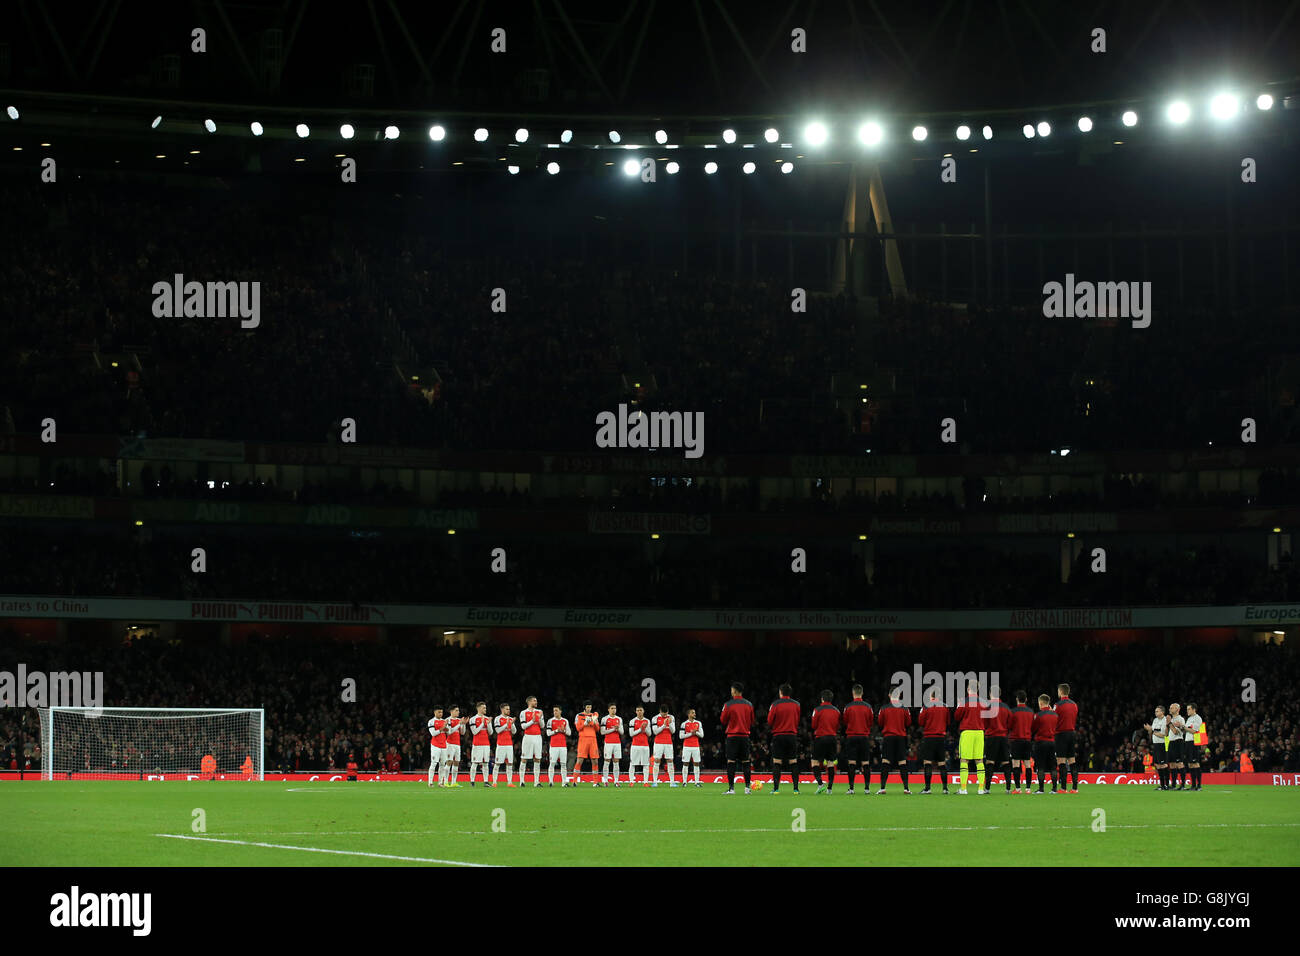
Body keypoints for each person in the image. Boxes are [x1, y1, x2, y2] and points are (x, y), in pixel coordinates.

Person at [720, 681, 755, 795]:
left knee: (731, 762)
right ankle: (747, 788)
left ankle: (731, 789)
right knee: (746, 762)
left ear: (734, 691)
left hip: (732, 736)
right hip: (745, 736)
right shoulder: (749, 704)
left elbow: (723, 720)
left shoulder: (728, 704)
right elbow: (752, 720)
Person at [767, 683, 801, 794]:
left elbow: (769, 721)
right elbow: (797, 719)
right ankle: (796, 789)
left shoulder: (775, 704)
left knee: (777, 762)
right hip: (791, 736)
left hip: (778, 735)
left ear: (780, 692)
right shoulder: (797, 704)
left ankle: (776, 789)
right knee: (793, 761)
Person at [953, 682, 987, 794]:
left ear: (968, 689)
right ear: (977, 689)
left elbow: (957, 716)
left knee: (964, 760)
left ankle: (963, 789)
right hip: (979, 733)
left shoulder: (964, 701)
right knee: (979, 760)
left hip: (967, 732)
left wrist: (958, 704)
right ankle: (981, 789)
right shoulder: (983, 702)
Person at [876, 690, 912, 794]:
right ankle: (906, 788)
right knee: (902, 762)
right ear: (899, 695)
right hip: (901, 737)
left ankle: (882, 788)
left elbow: (880, 722)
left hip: (888, 737)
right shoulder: (904, 708)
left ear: (889, 695)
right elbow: (908, 722)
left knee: (885, 761)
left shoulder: (884, 708)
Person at [841, 684, 874, 794]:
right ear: (862, 693)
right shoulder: (868, 707)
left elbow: (845, 721)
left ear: (853, 693)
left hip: (851, 737)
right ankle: (867, 789)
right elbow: (870, 722)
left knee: (852, 763)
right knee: (865, 763)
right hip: (864, 737)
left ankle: (851, 789)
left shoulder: (848, 707)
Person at [918, 689, 951, 795]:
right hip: (941, 738)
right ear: (939, 696)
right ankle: (945, 789)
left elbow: (920, 722)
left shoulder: (926, 706)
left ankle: (927, 789)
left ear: (930, 696)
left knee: (927, 763)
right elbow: (948, 721)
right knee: (942, 763)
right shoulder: (945, 707)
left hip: (929, 738)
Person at [983, 686, 1012, 793]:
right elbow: (1010, 724)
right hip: (1004, 738)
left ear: (991, 694)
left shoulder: (988, 707)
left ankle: (987, 788)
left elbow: (984, 723)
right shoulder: (1006, 708)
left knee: (990, 762)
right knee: (1005, 762)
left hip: (992, 738)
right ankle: (1008, 788)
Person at [810, 690, 840, 794]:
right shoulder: (836, 711)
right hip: (832, 738)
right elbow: (837, 726)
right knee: (830, 763)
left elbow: (813, 725)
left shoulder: (817, 710)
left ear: (822, 698)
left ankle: (820, 784)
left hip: (820, 738)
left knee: (814, 761)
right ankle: (830, 789)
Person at [1054, 683, 1079, 793]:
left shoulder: (1057, 705)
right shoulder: (1074, 705)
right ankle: (1074, 788)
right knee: (1072, 760)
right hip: (1072, 733)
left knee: (1061, 761)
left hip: (1061, 734)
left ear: (1060, 691)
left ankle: (1063, 788)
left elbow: (1053, 719)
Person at [1030, 694, 1058, 793]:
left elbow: (1033, 729)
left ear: (1041, 703)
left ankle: (1041, 789)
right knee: (1053, 766)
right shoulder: (1055, 715)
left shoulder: (1038, 715)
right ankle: (1054, 789)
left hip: (1040, 743)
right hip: (1052, 742)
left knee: (1040, 766)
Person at [1007, 690, 1034, 793]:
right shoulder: (1031, 712)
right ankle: (1028, 789)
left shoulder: (1013, 712)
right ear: (1026, 700)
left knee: (1016, 764)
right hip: (1027, 741)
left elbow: (1009, 726)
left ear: (1017, 699)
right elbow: (1033, 726)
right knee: (1027, 764)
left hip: (1016, 741)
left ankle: (1018, 788)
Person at [518, 696, 545, 788]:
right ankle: (522, 781)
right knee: (524, 758)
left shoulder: (540, 711)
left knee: (537, 759)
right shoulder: (523, 712)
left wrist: (539, 719)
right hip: (528, 737)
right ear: (529, 702)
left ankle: (536, 782)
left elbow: (542, 726)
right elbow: (523, 726)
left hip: (537, 737)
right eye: (534, 700)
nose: (536, 702)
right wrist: (533, 720)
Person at [572, 701, 601, 786]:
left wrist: (595, 722)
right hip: (583, 739)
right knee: (580, 760)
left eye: (590, 707)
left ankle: (595, 782)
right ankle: (574, 781)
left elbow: (597, 729)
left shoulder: (594, 715)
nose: (589, 709)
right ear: (584, 707)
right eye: (587, 707)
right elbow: (578, 728)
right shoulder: (579, 716)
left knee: (595, 761)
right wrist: (585, 724)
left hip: (593, 740)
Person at [1143, 705, 1169, 790]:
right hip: (1156, 744)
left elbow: (1163, 734)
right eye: (1155, 711)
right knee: (1158, 765)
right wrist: (1149, 730)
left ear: (1162, 712)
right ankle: (1162, 785)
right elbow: (1153, 731)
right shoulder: (1155, 720)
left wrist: (1151, 730)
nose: (1155, 713)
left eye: (1157, 711)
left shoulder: (1165, 720)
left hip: (1162, 744)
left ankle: (1167, 785)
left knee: (1163, 765)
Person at [650, 704, 677, 787]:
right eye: (663, 714)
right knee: (657, 760)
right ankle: (655, 781)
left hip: (668, 742)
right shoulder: (655, 718)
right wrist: (664, 725)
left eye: (666, 714)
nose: (665, 716)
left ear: (668, 712)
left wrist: (669, 723)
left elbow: (673, 731)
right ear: (660, 712)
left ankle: (672, 782)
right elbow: (655, 732)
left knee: (670, 761)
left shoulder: (671, 717)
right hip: (658, 742)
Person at [467, 701, 492, 787]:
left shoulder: (487, 718)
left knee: (485, 763)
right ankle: (472, 781)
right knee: (475, 763)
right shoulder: (472, 719)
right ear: (478, 708)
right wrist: (482, 724)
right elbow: (474, 732)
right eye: (483, 708)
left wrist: (488, 724)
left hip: (486, 744)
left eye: (485, 707)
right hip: (477, 744)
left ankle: (486, 781)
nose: (485, 709)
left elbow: (491, 732)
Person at [493, 703, 516, 788]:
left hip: (509, 744)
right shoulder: (497, 719)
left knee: (509, 763)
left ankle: (509, 782)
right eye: (507, 709)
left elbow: (514, 732)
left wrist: (512, 723)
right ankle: (494, 782)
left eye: (509, 709)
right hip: (501, 744)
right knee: (498, 763)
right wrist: (506, 724)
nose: (508, 710)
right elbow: (498, 730)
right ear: (502, 710)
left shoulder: (510, 719)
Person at [546, 706, 571, 787]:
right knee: (552, 763)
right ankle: (550, 782)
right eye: (554, 711)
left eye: (556, 710)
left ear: (560, 711)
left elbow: (569, 733)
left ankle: (564, 783)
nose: (555, 712)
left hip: (563, 746)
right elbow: (548, 733)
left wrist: (563, 731)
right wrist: (557, 730)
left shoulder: (565, 721)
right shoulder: (550, 721)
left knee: (563, 764)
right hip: (553, 746)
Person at [628, 706, 653, 786]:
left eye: (640, 710)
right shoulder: (632, 721)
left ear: (643, 711)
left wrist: (644, 729)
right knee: (632, 764)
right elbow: (631, 734)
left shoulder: (647, 721)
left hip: (645, 746)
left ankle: (645, 782)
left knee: (646, 764)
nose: (639, 712)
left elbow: (649, 734)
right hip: (635, 745)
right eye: (638, 710)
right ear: (635, 711)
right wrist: (640, 729)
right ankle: (631, 782)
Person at [679, 708, 704, 787]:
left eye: (694, 713)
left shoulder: (698, 723)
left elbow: (702, 735)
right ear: (689, 714)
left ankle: (697, 782)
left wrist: (695, 732)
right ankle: (684, 782)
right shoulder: (684, 724)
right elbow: (681, 736)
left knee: (696, 763)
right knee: (685, 763)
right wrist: (691, 733)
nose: (694, 714)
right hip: (686, 746)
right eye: (693, 713)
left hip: (696, 746)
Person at [600, 703, 624, 787]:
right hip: (608, 743)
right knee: (607, 761)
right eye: (612, 708)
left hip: (617, 743)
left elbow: (622, 732)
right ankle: (605, 781)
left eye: (615, 708)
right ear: (608, 709)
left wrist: (618, 729)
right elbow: (602, 732)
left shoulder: (619, 719)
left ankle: (616, 781)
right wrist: (613, 729)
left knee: (616, 762)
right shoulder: (604, 719)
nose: (614, 710)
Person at [442, 706, 463, 788]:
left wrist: (463, 725)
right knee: (449, 762)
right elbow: (449, 732)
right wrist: (459, 724)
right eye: (456, 710)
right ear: (451, 711)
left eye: (458, 710)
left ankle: (454, 782)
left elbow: (463, 733)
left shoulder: (459, 720)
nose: (458, 712)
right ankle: (446, 782)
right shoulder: (447, 720)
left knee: (456, 763)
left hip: (457, 744)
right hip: (450, 744)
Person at [1184, 704, 1204, 791]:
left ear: (1194, 709)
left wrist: (1183, 727)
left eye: (1189, 709)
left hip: (1194, 742)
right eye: (1187, 709)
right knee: (1190, 764)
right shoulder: (1189, 719)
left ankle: (1199, 785)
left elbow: (1194, 731)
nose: (1187, 711)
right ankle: (1193, 785)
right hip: (1188, 742)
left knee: (1195, 763)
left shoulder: (1197, 718)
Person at [426, 707, 447, 788]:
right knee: (434, 763)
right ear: (435, 712)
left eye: (441, 712)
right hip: (435, 745)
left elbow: (448, 731)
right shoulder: (431, 721)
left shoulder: (444, 721)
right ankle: (430, 782)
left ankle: (440, 782)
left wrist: (447, 728)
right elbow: (433, 733)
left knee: (442, 764)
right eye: (439, 712)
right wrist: (443, 728)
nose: (440, 714)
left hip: (444, 745)